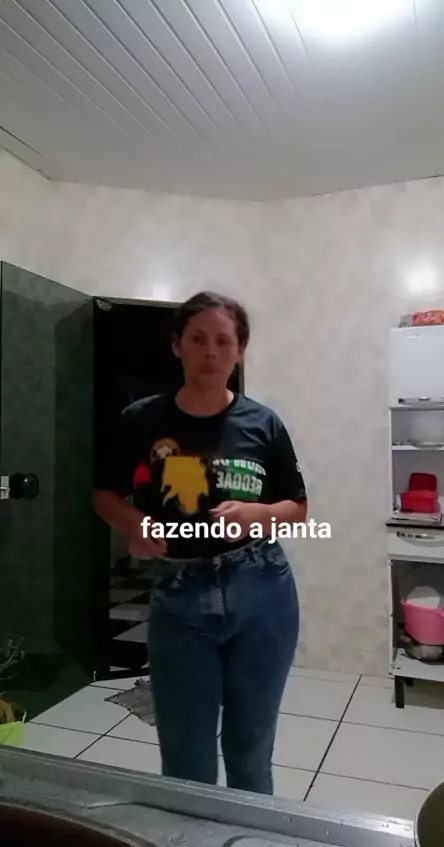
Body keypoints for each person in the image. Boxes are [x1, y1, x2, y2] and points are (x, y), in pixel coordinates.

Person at [93, 291, 308, 795]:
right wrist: (135, 523)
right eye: (198, 338)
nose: (211, 352)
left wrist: (258, 515)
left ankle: (245, 834)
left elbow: (298, 509)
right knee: (186, 760)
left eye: (224, 341)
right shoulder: (142, 420)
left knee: (250, 753)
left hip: (263, 591)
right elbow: (104, 495)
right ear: (178, 346)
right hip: (179, 596)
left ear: (240, 351)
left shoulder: (264, 423)